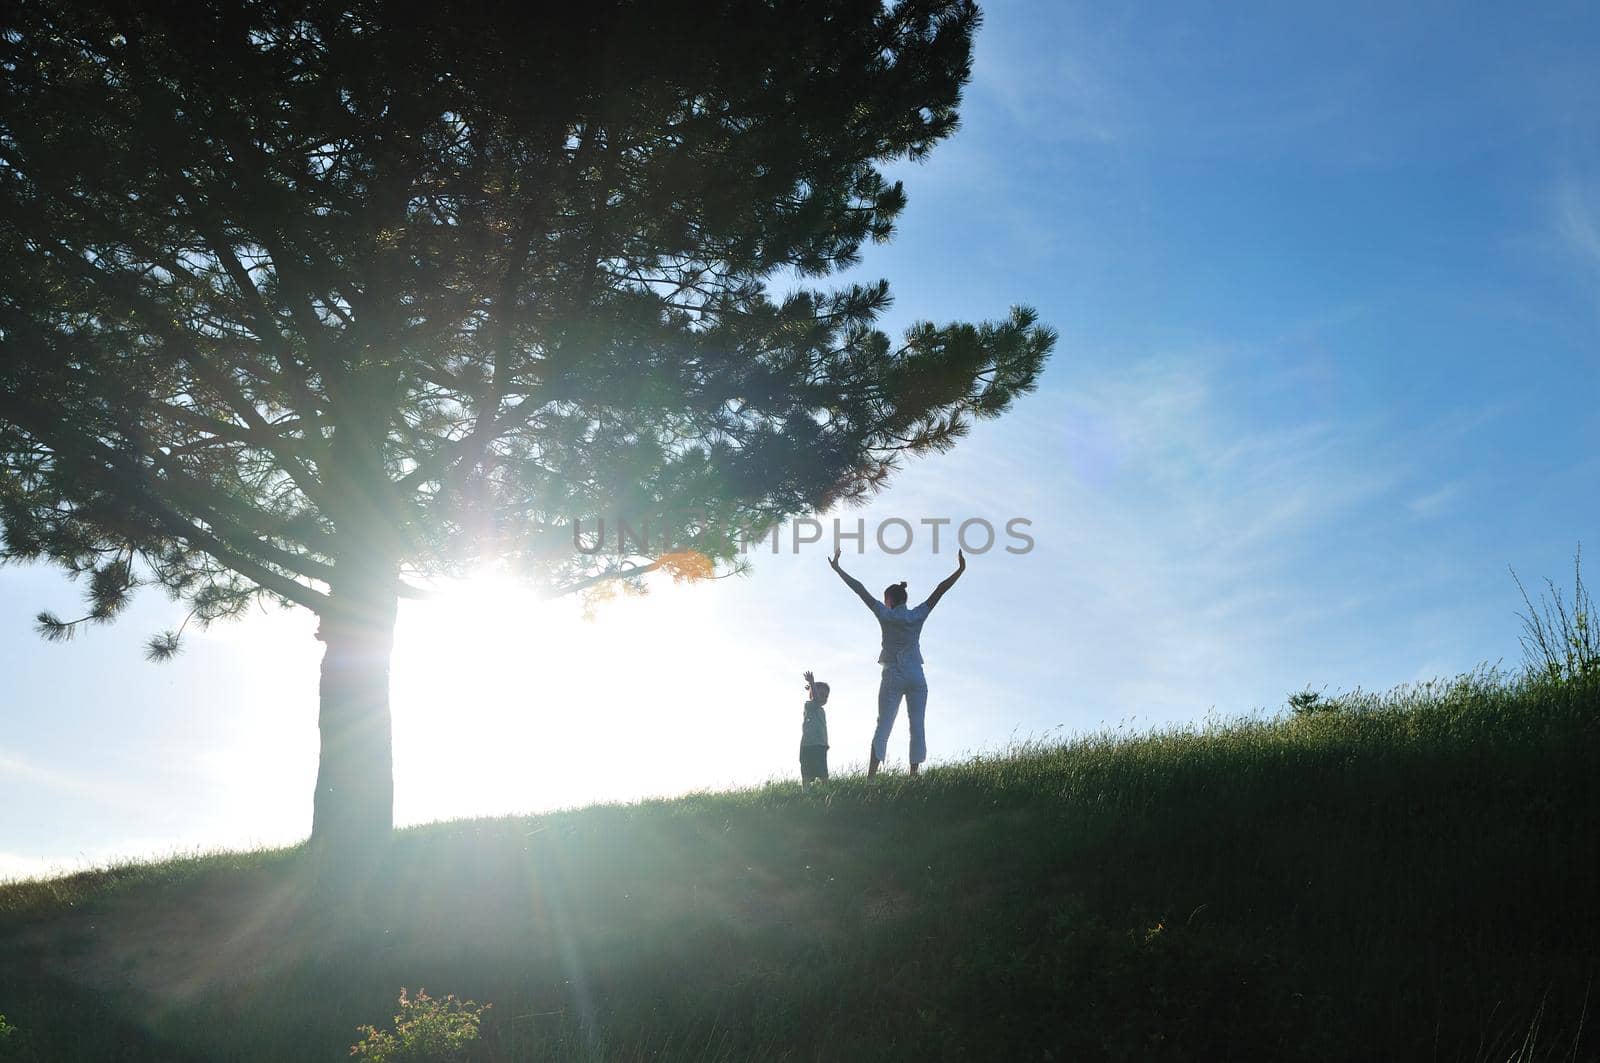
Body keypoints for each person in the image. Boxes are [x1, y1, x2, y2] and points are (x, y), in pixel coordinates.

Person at [828, 546, 966, 776]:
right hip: (916, 675)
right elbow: (940, 590)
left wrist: (838, 569)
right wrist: (960, 570)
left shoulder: (885, 614)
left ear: (889, 600)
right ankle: (914, 775)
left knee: (884, 725)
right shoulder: (917, 614)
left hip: (893, 674)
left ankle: (871, 776)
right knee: (917, 726)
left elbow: (860, 590)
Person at [799, 670, 830, 787]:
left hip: (820, 745)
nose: (823, 698)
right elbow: (816, 699)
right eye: (821, 694)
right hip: (808, 745)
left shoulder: (821, 710)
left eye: (826, 696)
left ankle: (825, 792)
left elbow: (817, 698)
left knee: (823, 772)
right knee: (806, 773)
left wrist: (812, 688)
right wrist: (812, 683)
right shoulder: (810, 705)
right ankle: (806, 793)